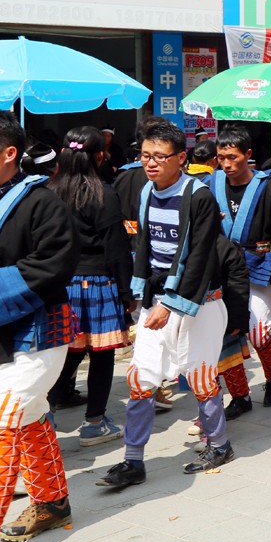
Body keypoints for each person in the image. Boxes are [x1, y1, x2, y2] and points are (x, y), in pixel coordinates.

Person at [97, 119, 231, 491]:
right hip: (156, 302)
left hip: (198, 303)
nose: (151, 163)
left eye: (159, 156)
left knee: (201, 377)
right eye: (145, 156)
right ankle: (133, 461)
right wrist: (137, 294)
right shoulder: (146, 191)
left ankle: (220, 445)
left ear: (181, 158)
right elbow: (143, 247)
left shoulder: (199, 196)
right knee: (140, 379)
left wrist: (169, 305)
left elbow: (201, 258)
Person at [0, 112, 80, 542]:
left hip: (38, 334)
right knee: (29, 418)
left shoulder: (44, 202)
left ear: (8, 153)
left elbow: (54, 264)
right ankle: (52, 503)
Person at [46, 127, 134, 448]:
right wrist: (127, 293)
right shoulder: (103, 195)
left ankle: (44, 416)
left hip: (59, 283)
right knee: (101, 355)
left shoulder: (48, 192)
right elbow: (117, 250)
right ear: (99, 156)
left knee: (65, 353)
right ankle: (94, 423)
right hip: (97, 283)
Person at [211, 125, 271, 418]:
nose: (227, 164)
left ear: (247, 154)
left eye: (232, 157)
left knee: (258, 332)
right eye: (221, 158)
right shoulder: (211, 184)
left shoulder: (268, 187)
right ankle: (240, 396)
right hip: (221, 269)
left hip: (256, 266)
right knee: (225, 335)